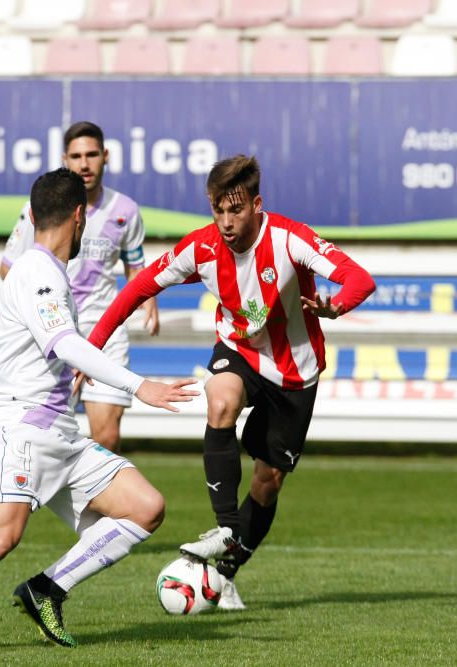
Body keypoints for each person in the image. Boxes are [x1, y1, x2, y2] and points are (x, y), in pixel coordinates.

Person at [0, 168, 197, 652]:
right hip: (23, 429)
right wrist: (139, 385)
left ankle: (46, 589)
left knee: (144, 507)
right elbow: (63, 342)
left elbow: (53, 349)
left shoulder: (45, 270)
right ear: (80, 216)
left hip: (58, 433)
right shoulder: (37, 271)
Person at [86, 155, 376, 611]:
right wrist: (94, 345)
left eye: (235, 210)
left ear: (256, 205)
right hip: (239, 352)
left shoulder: (288, 238)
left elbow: (360, 278)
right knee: (218, 399)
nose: (225, 221)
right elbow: (139, 287)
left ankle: (225, 574)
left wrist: (337, 305)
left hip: (295, 373)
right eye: (217, 210)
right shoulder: (200, 248)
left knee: (268, 481)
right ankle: (225, 527)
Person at [1, 121, 159, 453]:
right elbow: (8, 268)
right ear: (65, 158)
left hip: (105, 327)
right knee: (47, 436)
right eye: (76, 156)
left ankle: (102, 501)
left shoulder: (126, 212)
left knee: (107, 436)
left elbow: (134, 266)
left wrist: (148, 300)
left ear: (106, 156)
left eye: (91, 155)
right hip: (53, 328)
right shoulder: (41, 210)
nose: (84, 164)